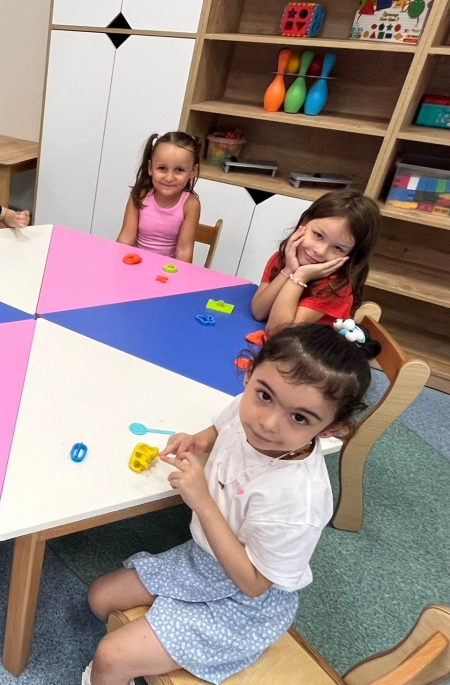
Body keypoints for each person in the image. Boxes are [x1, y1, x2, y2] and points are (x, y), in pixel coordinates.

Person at [83, 322, 380, 685]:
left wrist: (203, 502)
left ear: (330, 429)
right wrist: (198, 440)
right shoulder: (248, 408)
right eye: (264, 396)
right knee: (100, 598)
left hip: (243, 604)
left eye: (300, 417)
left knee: (110, 656)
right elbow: (223, 428)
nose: (267, 423)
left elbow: (255, 584)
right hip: (205, 560)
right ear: (249, 374)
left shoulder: (298, 502)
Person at [251, 189, 380, 334]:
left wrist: (300, 277)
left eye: (338, 248)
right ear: (304, 222)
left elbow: (277, 331)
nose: (320, 251)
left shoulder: (337, 286)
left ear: (351, 255)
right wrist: (288, 270)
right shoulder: (284, 258)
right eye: (318, 235)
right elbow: (259, 312)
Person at [116, 132, 202, 263]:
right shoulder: (139, 195)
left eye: (179, 170)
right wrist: (117, 266)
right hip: (135, 264)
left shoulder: (191, 204)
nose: (169, 178)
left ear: (192, 171)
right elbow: (126, 238)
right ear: (150, 168)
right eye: (162, 168)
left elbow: (184, 250)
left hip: (167, 270)